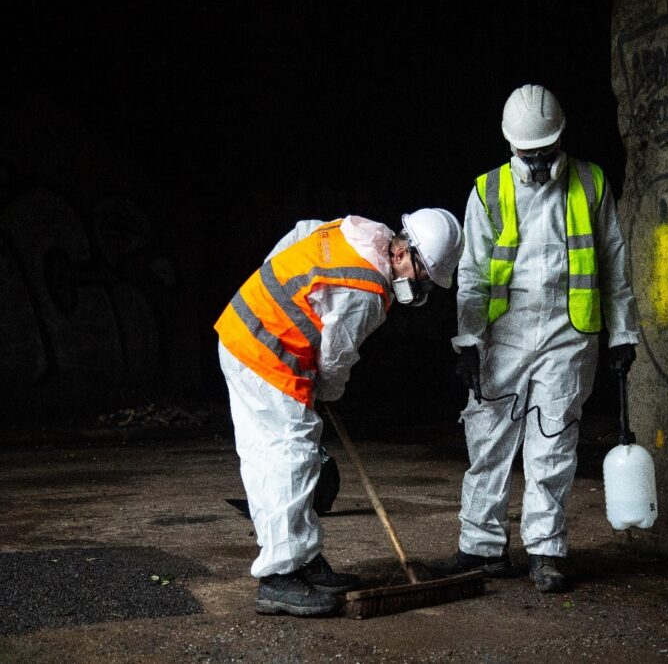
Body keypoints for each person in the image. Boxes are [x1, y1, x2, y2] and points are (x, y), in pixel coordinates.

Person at [439, 84, 640, 592]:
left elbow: (615, 262)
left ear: (560, 141)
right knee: (488, 441)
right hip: (502, 336)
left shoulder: (591, 184)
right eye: (528, 155)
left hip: (568, 334)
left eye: (545, 152)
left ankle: (546, 550)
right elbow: (472, 274)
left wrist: (623, 332)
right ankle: (481, 547)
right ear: (511, 146)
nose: (537, 163)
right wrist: (467, 341)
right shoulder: (487, 190)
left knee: (552, 443)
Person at [215, 208, 463, 616]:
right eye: (423, 277)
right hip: (265, 354)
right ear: (405, 256)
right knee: (287, 460)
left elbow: (301, 233)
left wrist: (271, 290)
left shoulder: (363, 233)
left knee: (290, 458)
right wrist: (328, 392)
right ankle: (279, 577)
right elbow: (335, 357)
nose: (421, 288)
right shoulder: (367, 289)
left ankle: (303, 558)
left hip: (253, 334)